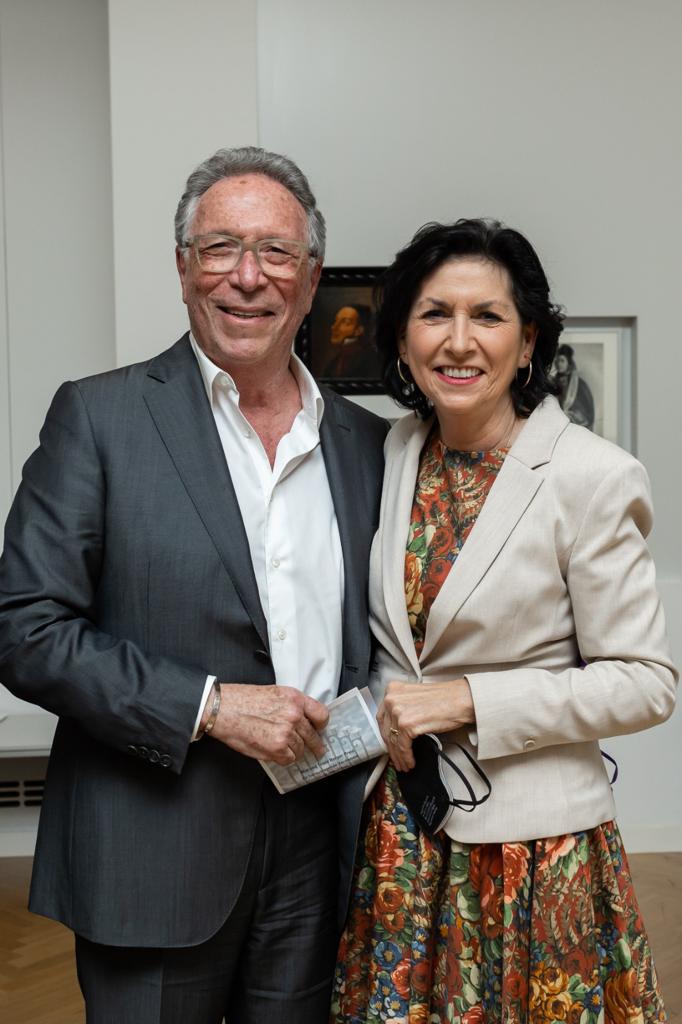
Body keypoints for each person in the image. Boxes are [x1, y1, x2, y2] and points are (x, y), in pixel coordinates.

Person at [0, 146, 388, 1024]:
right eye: (220, 248)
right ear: (183, 269)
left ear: (311, 279)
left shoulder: (367, 443)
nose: (248, 277)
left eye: (276, 252)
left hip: (319, 851)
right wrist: (209, 707)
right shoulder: (100, 417)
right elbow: (24, 625)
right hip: (152, 846)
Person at [331, 218, 677, 1023]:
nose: (459, 341)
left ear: (527, 345)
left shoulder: (593, 477)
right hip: (398, 841)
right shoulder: (394, 452)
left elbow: (645, 684)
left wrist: (468, 702)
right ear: (403, 340)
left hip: (530, 857)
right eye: (434, 314)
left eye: (487, 316)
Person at [323, 304, 378, 378]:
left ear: (359, 330)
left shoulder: (371, 360)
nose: (334, 327)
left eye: (345, 322)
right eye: (336, 321)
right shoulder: (332, 365)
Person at [553, 341, 596, 429]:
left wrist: (570, 415)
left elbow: (587, 414)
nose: (559, 364)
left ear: (569, 363)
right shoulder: (552, 383)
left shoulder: (580, 385)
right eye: (557, 361)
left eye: (562, 361)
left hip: (574, 428)